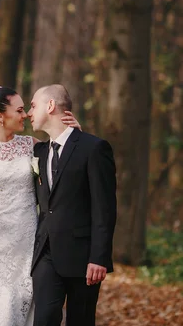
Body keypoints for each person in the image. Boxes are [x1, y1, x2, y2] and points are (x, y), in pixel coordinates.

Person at [0, 85, 81, 326]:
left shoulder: (31, 145)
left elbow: (66, 161)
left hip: (24, 247)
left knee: (16, 314)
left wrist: (76, 134)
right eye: (20, 110)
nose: (25, 115)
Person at [27, 84, 117, 326]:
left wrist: (99, 257)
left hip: (82, 256)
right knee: (43, 319)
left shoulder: (94, 148)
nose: (28, 112)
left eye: (33, 105)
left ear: (51, 106)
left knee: (81, 321)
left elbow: (104, 208)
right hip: (45, 253)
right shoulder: (39, 152)